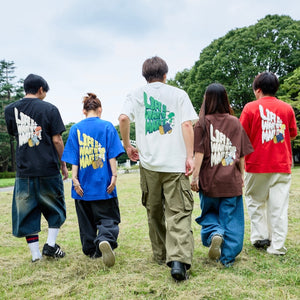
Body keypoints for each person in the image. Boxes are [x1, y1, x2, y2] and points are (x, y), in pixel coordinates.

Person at [119, 56, 197, 281]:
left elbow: (124, 118)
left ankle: (161, 253)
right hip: (175, 164)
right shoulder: (178, 94)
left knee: (154, 211)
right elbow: (186, 124)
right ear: (165, 75)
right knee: (178, 211)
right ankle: (179, 261)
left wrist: (127, 145)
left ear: (145, 76)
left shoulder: (135, 95)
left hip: (149, 164)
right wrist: (189, 156)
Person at [4, 74, 68, 262]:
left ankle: (36, 256)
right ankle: (50, 244)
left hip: (24, 171)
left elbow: (15, 134)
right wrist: (63, 163)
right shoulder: (50, 109)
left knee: (26, 212)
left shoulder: (10, 110)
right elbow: (57, 139)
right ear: (41, 89)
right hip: (48, 168)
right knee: (56, 207)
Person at [191, 83, 253, 267]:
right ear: (226, 99)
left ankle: (214, 234)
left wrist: (194, 178)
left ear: (206, 99)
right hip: (231, 181)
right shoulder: (235, 122)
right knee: (232, 219)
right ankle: (227, 258)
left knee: (209, 213)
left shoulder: (201, 123)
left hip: (209, 181)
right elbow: (241, 153)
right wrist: (241, 176)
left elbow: (199, 154)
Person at [62, 93, 124, 267]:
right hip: (104, 184)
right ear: (100, 110)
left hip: (82, 186)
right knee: (108, 219)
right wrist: (114, 176)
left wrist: (74, 179)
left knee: (86, 222)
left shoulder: (75, 129)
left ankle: (92, 250)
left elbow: (74, 158)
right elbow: (111, 155)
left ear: (84, 111)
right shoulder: (107, 126)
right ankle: (104, 239)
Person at [240, 72, 298, 255]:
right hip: (281, 164)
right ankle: (277, 246)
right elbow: (292, 133)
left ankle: (260, 236)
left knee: (255, 201)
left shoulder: (249, 108)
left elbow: (242, 136)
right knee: (278, 207)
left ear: (258, 90)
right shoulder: (287, 109)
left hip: (256, 164)